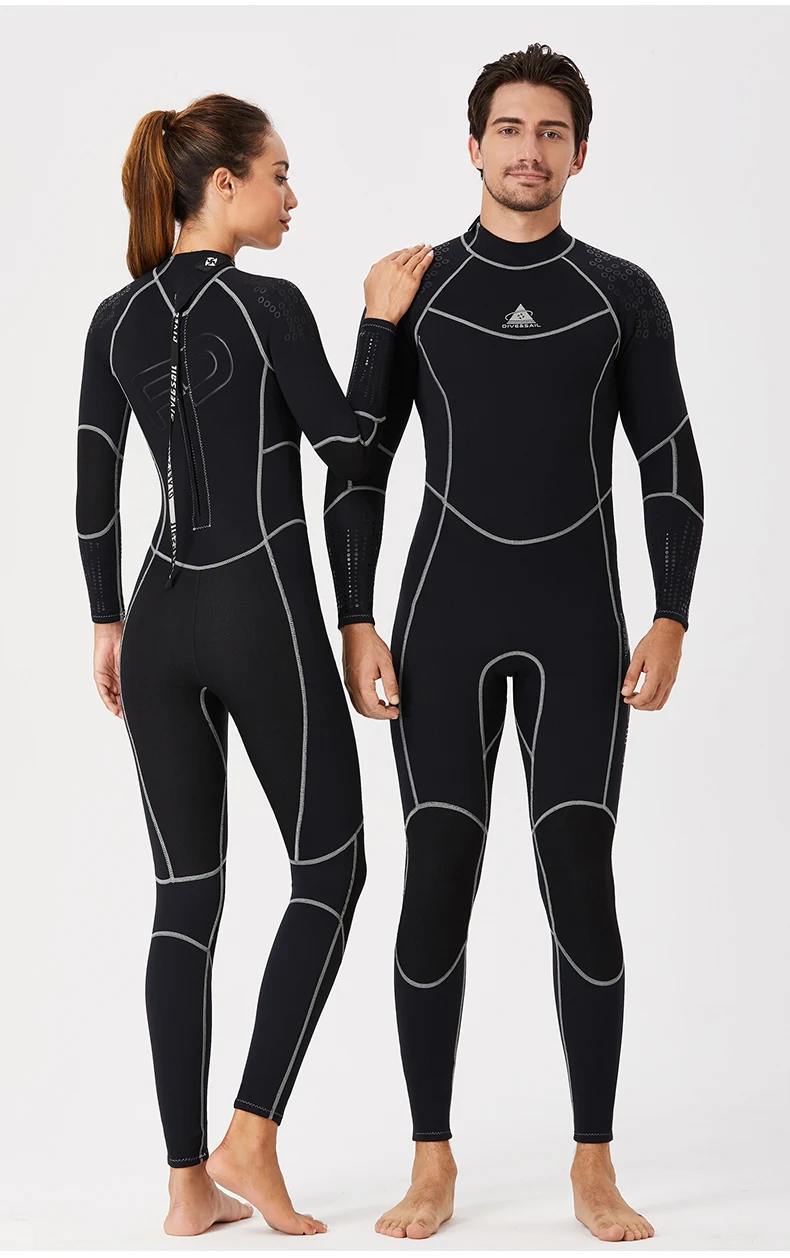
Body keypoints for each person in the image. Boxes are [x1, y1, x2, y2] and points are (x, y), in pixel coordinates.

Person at [324, 45, 704, 1243]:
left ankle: (593, 1162)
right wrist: (355, 616)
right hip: (441, 620)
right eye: (507, 128)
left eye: (549, 131)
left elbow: (670, 457)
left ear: (579, 154)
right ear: (473, 145)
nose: (527, 149)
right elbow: (359, 464)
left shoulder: (620, 292)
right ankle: (430, 1159)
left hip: (578, 624)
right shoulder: (416, 287)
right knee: (436, 874)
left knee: (580, 878)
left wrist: (671, 610)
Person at [75, 91, 432, 1238]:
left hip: (156, 620)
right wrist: (379, 324)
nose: (292, 196)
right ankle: (251, 1133)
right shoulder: (268, 302)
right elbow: (351, 448)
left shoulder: (114, 319)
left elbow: (93, 489)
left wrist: (106, 622)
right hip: (260, 613)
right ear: (220, 183)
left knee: (184, 895)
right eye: (277, 174)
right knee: (331, 869)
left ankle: (188, 1188)